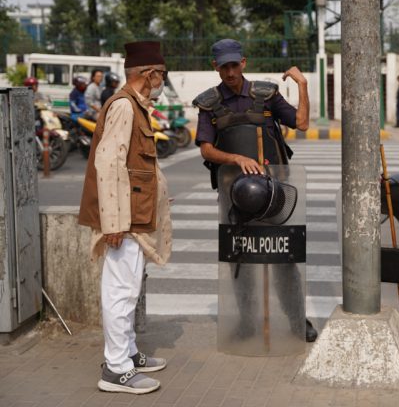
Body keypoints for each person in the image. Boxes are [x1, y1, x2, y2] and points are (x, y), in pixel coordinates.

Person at [192, 38, 317, 342]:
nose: (231, 72)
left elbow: (301, 123)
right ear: (216, 67)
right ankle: (247, 322)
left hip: (276, 194)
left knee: (284, 261)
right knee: (241, 262)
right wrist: (235, 158)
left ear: (244, 63)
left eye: (235, 65)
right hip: (235, 197)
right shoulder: (209, 104)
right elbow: (206, 150)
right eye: (224, 67)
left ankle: (298, 321)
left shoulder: (266, 94)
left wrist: (301, 84)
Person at [78, 41, 173, 395]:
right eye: (161, 74)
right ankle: (116, 369)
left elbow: (136, 166)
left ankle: (128, 354)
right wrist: (113, 223)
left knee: (129, 289)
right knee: (120, 291)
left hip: (135, 214)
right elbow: (109, 164)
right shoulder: (124, 107)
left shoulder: (135, 106)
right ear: (148, 74)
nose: (162, 80)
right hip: (124, 220)